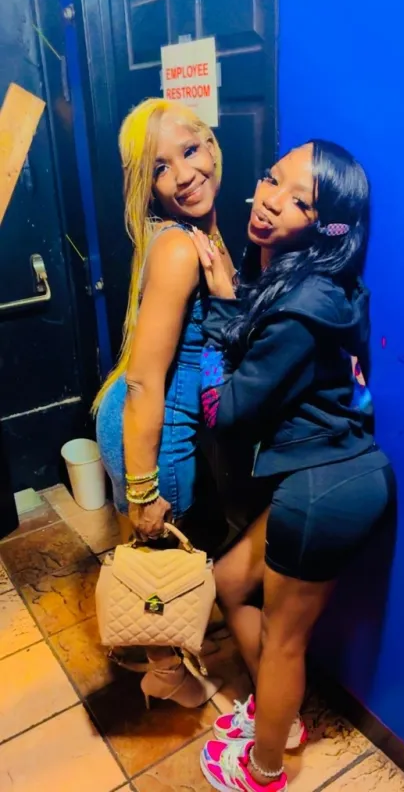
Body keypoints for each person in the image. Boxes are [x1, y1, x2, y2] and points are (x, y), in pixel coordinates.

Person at [187, 141, 396, 791]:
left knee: (284, 641)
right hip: (333, 472)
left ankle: (266, 768)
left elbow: (225, 412)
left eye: (298, 200)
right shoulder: (320, 284)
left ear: (325, 225)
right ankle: (279, 717)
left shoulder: (305, 305)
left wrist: (219, 307)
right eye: (271, 180)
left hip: (323, 490)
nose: (270, 201)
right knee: (228, 581)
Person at [93, 98, 234, 708]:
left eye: (190, 150)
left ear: (211, 144)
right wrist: (144, 490)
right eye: (159, 167)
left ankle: (166, 659)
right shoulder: (179, 248)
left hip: (140, 425)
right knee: (160, 565)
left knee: (171, 553)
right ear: (147, 187)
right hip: (155, 438)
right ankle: (166, 674)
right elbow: (148, 382)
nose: (183, 174)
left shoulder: (193, 234)